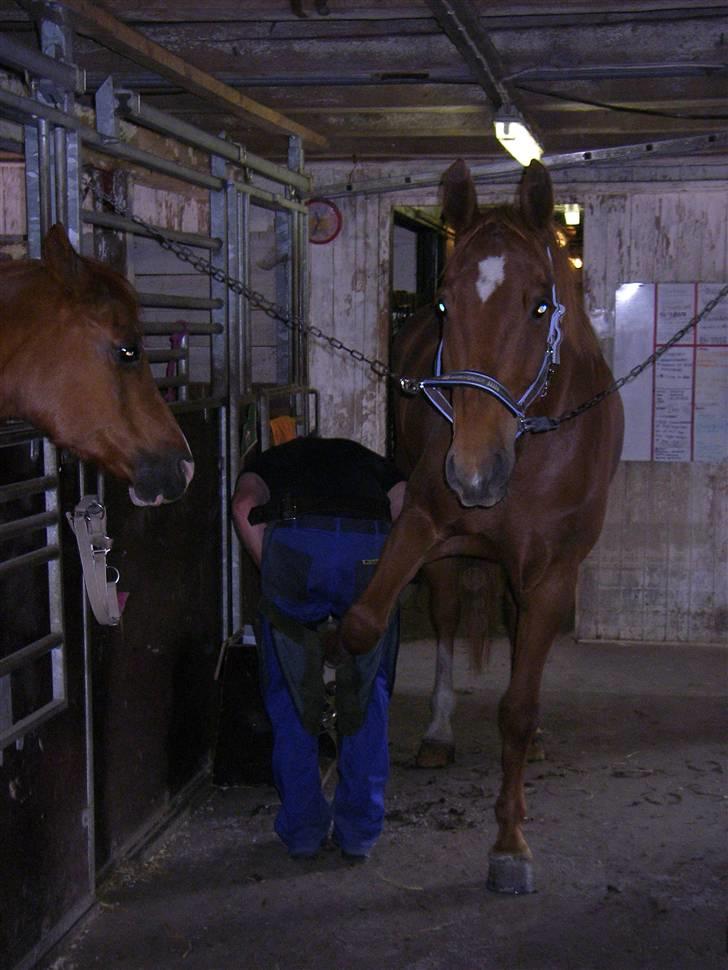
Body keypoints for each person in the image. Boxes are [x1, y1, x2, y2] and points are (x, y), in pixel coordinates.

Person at [232, 436, 406, 862]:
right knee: (368, 694)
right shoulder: (373, 462)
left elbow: (242, 506)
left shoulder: (271, 460)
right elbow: (408, 512)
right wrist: (386, 582)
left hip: (296, 546)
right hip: (367, 547)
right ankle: (358, 833)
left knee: (289, 697)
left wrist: (272, 574)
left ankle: (305, 832)